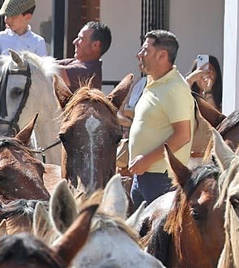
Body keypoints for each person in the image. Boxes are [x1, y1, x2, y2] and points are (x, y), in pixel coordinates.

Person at [122, 30, 194, 209]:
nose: (138, 54)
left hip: (161, 179)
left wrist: (146, 159)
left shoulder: (175, 88)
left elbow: (182, 135)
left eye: (145, 50)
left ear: (162, 55)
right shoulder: (152, 83)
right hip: (144, 176)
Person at [0, 0, 48, 110]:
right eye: (6, 16)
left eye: (13, 17)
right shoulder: (0, 38)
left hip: (27, 96)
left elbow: (43, 73)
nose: (7, 20)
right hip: (0, 95)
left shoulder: (37, 42)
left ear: (27, 17)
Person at [53, 21, 111, 91]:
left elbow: (49, 71)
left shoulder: (88, 72)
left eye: (81, 39)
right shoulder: (75, 61)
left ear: (95, 45)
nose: (75, 42)